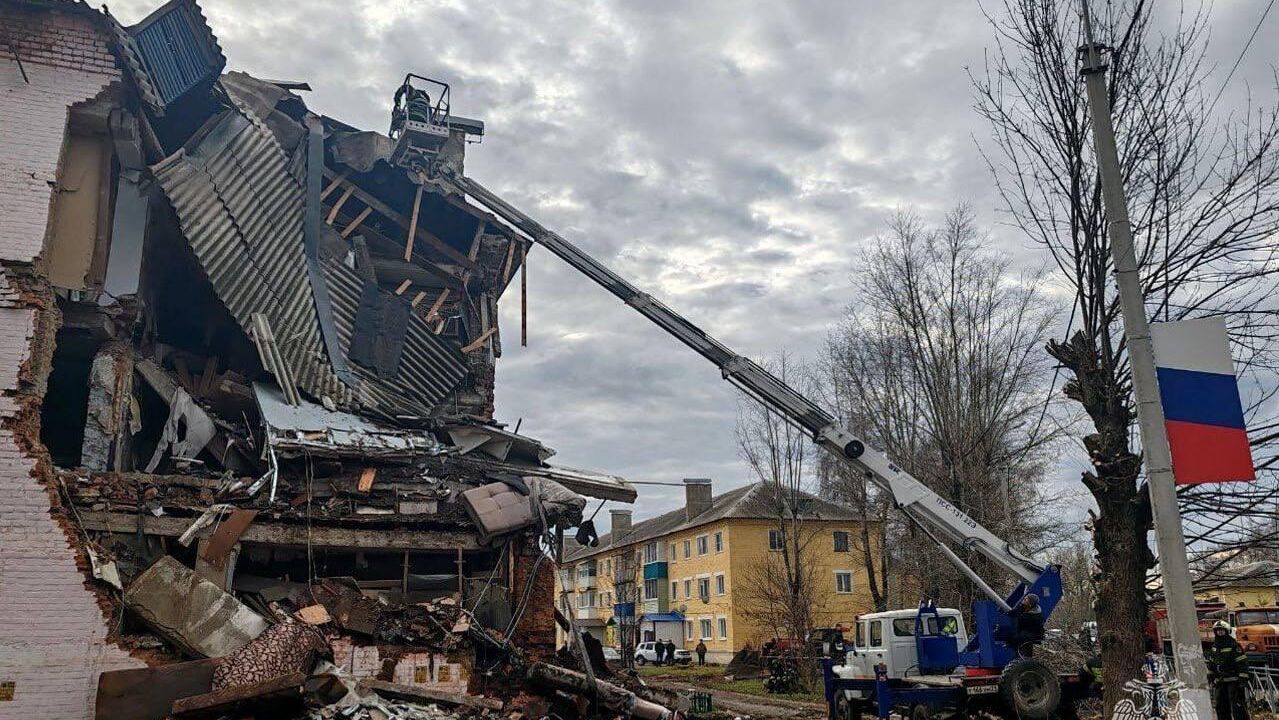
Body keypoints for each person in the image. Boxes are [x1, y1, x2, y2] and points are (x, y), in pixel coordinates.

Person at [1207, 620, 1250, 720]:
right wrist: (1211, 673)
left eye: (1222, 630)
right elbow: (1212, 662)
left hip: (1234, 681)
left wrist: (1243, 679)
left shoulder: (1234, 645)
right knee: (1220, 706)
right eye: (1217, 631)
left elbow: (1242, 663)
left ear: (1227, 631)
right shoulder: (1214, 646)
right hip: (1220, 681)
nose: (1220, 633)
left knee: (1237, 706)